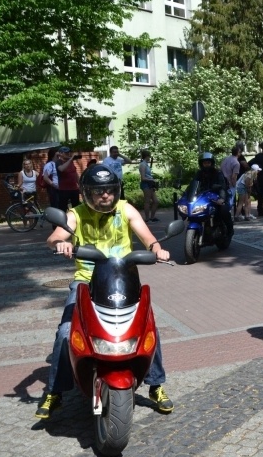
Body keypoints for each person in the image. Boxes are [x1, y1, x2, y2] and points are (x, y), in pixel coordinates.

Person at [35, 165, 174, 418]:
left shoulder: (126, 209)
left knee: (146, 328)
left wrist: (157, 249)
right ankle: (55, 391)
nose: (105, 196)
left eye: (109, 191)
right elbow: (55, 236)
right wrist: (61, 243)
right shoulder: (75, 214)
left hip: (123, 279)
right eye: (98, 192)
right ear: (85, 193)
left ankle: (156, 385)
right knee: (67, 331)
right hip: (86, 281)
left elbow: (148, 237)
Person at [193, 152, 233, 237]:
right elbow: (193, 184)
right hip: (204, 196)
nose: (206, 165)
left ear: (212, 163)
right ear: (201, 164)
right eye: (204, 163)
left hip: (217, 196)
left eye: (208, 162)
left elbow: (222, 186)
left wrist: (222, 198)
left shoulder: (217, 173)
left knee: (223, 210)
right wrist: (186, 195)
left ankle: (230, 230)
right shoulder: (199, 174)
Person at [55, 147, 81, 212]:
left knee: (76, 207)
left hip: (74, 189)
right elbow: (61, 169)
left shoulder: (71, 162)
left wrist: (79, 184)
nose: (68, 154)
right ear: (60, 154)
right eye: (66, 153)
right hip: (64, 190)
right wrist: (70, 159)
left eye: (69, 152)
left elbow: (75, 173)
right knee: (63, 208)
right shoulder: (58, 162)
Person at [139, 149, 159, 222]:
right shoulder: (142, 165)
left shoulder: (146, 164)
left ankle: (152, 217)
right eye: (149, 156)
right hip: (146, 184)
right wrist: (152, 180)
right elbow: (143, 178)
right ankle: (147, 218)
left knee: (156, 201)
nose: (149, 158)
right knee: (147, 201)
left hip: (150, 184)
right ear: (146, 156)